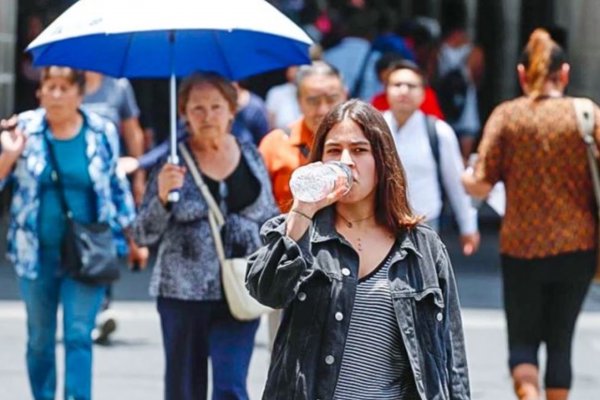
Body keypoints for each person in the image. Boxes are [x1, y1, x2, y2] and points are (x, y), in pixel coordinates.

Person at [247, 99, 470, 399]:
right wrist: (301, 212)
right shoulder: (300, 231)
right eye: (334, 151)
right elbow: (267, 291)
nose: (346, 161)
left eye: (360, 150)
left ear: (382, 159)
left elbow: (451, 353)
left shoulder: (422, 246)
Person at [462, 29, 598, 400]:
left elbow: (480, 183)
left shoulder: (508, 117)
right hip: (578, 245)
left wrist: (464, 176)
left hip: (521, 245)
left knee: (522, 340)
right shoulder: (587, 114)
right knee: (561, 340)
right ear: (565, 73)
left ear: (522, 74)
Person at [132, 72, 277, 400]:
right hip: (182, 295)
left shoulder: (250, 155)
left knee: (230, 386)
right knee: (184, 389)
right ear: (183, 113)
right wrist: (161, 197)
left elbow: (270, 217)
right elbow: (142, 232)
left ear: (231, 110)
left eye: (216, 106)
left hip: (241, 288)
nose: (207, 116)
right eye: (197, 108)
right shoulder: (171, 164)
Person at [0, 66, 136, 400]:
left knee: (78, 335)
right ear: (39, 92)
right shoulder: (23, 129)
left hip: (87, 252)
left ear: (80, 93)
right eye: (50, 86)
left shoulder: (101, 131)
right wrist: (10, 155)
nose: (57, 94)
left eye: (64, 87)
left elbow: (116, 190)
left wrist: (133, 240)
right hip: (36, 253)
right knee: (40, 339)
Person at [383, 60, 479, 256]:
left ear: (423, 93)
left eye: (411, 86)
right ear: (386, 90)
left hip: (425, 225)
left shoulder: (438, 132)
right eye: (397, 85)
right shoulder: (373, 128)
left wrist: (468, 226)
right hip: (380, 223)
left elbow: (455, 182)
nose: (404, 91)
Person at [82, 71, 150, 344]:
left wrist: (139, 173)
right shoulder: (68, 83)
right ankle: (83, 310)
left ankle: (102, 307)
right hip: (73, 180)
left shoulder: (118, 87)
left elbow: (132, 131)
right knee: (76, 245)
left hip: (108, 182)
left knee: (106, 242)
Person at [259, 61, 347, 212]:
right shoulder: (275, 144)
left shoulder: (362, 143)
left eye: (331, 99)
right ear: (299, 101)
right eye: (313, 101)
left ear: (345, 96)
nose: (323, 110)